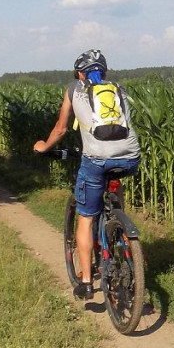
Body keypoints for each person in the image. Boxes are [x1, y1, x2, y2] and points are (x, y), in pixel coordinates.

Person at [34, 49, 141, 300]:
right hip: (130, 157)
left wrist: (44, 147)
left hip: (95, 159)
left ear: (80, 73)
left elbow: (61, 129)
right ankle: (118, 220)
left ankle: (85, 282)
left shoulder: (74, 89)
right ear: (104, 72)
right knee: (115, 174)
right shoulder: (119, 89)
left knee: (86, 218)